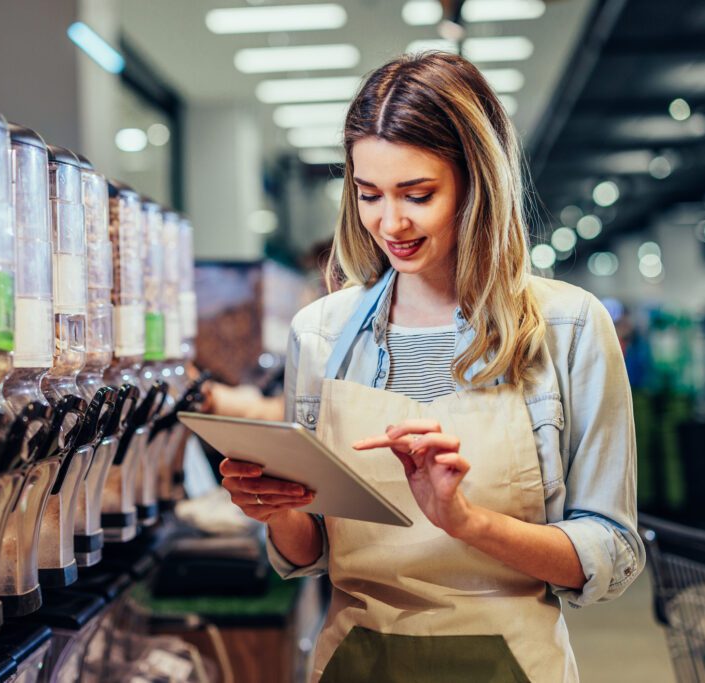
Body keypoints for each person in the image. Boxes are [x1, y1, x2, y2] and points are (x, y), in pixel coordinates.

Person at [219, 52, 643, 683]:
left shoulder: (568, 327)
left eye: (418, 194)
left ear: (477, 183)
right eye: (369, 195)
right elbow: (311, 555)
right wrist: (276, 508)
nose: (390, 223)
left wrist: (465, 523)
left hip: (511, 666)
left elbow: (612, 551)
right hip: (354, 662)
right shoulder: (321, 334)